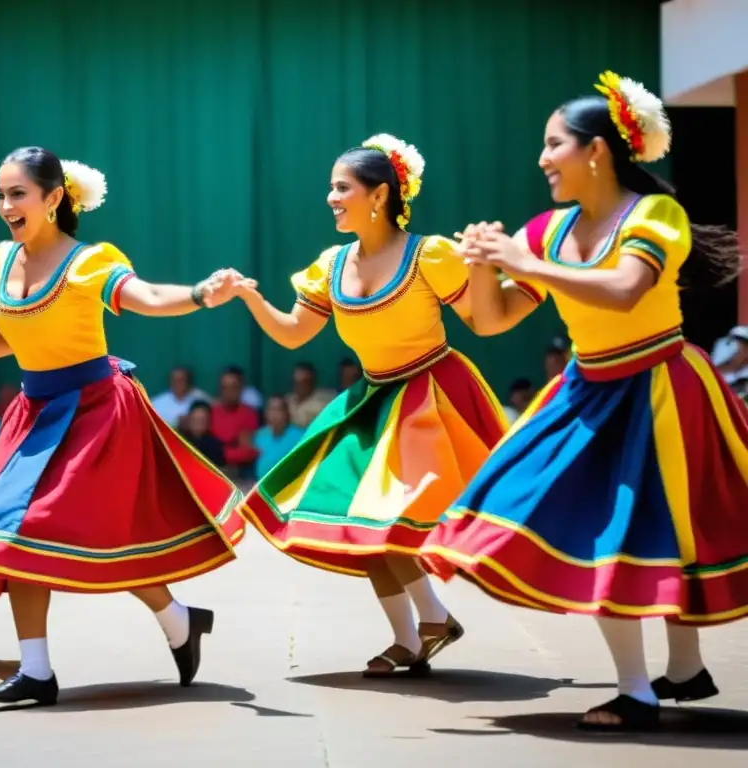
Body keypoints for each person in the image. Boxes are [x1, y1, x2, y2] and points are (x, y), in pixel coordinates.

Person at [420, 71, 748, 732]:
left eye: (553, 144)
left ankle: (659, 681)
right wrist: (484, 265)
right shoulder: (546, 230)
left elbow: (625, 290)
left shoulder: (656, 215)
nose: (542, 159)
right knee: (605, 529)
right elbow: (491, 320)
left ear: (595, 151)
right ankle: (660, 678)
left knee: (660, 530)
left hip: (661, 388)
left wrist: (523, 258)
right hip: (587, 390)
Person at [0, 147, 246, 706]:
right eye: (0, 194)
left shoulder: (88, 262)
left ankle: (177, 620)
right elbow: (9, 332)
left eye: (17, 193)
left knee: (80, 532)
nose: (5, 205)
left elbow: (147, 297)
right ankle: (43, 668)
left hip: (93, 412)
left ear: (54, 198)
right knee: (18, 532)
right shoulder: (0, 259)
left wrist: (198, 295)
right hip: (33, 412)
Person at [231, 134, 507, 676]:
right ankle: (411, 636)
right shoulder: (331, 264)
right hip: (373, 399)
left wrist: (485, 266)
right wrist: (249, 296)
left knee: (391, 519)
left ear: (379, 195)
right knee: (359, 523)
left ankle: (430, 618)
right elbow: (292, 334)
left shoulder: (429, 255)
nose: (331, 198)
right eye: (331, 188)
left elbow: (482, 318)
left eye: (342, 188)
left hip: (432, 397)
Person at [253, 395, 303, 479]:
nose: (274, 414)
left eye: (279, 409)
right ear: (266, 413)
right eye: (271, 409)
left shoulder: (300, 436)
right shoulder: (260, 436)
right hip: (260, 487)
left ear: (287, 413)